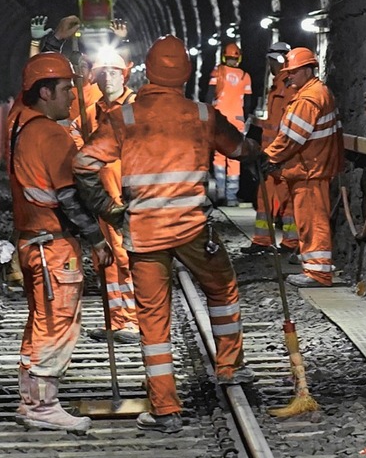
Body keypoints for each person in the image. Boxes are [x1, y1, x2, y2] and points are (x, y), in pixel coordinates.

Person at [74, 35, 259, 434]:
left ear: (149, 69)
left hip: (144, 233)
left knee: (153, 321)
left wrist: (107, 208)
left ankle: (166, 409)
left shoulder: (125, 117)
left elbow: (83, 162)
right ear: (187, 72)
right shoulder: (202, 114)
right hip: (193, 229)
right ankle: (228, 367)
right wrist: (265, 153)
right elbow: (240, 148)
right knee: (222, 289)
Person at [9, 53, 113, 430]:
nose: (73, 96)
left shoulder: (18, 122)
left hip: (29, 242)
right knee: (57, 324)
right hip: (54, 246)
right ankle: (43, 407)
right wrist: (98, 239)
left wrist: (52, 44)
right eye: (67, 88)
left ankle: (29, 400)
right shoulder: (50, 135)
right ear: (46, 91)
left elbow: (20, 93)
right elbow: (70, 197)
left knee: (40, 322)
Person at [72, 49, 140, 345]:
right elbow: (74, 135)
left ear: (125, 74)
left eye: (113, 72)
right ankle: (117, 321)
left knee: (130, 261)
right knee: (107, 260)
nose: (107, 78)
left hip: (130, 199)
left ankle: (135, 322)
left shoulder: (138, 108)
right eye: (102, 73)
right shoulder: (92, 114)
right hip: (101, 199)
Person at [260, 47, 344, 288]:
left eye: (294, 73)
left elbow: (291, 137)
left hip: (310, 170)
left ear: (308, 70)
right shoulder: (317, 93)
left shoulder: (308, 98)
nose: (289, 77)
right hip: (311, 169)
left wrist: (270, 157)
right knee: (309, 221)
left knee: (313, 222)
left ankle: (318, 273)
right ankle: (314, 267)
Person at [242, 41, 301, 258]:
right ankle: (262, 240)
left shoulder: (290, 88)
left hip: (284, 154)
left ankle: (291, 242)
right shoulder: (277, 85)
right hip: (270, 152)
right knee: (265, 197)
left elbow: (288, 125)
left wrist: (280, 153)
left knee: (286, 199)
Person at [207, 42, 252, 205]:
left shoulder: (218, 72)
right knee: (235, 157)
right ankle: (232, 196)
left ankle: (220, 192)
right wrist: (244, 118)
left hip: (220, 119)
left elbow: (209, 95)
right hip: (237, 120)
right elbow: (248, 102)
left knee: (219, 156)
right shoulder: (244, 76)